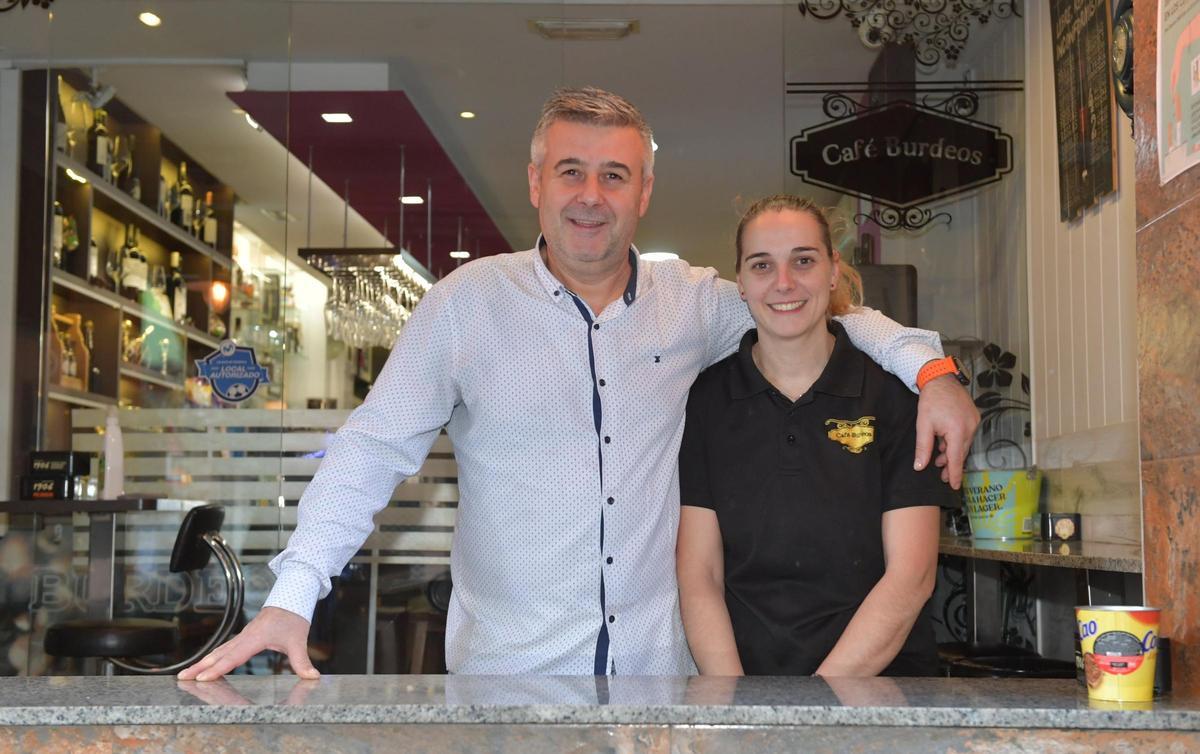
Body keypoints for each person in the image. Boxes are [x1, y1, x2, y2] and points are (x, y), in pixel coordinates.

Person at [179, 88, 977, 681]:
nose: (591, 196)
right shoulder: (465, 306)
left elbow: (817, 308)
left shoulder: (694, 304)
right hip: (505, 678)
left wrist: (932, 372)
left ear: (644, 193)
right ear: (535, 183)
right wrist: (294, 593)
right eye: (571, 172)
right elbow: (370, 450)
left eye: (614, 175)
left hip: (659, 678)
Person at [676, 196, 960, 677]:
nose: (784, 283)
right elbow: (699, 573)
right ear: (740, 284)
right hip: (747, 692)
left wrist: (818, 706)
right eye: (762, 265)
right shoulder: (704, 400)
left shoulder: (896, 397)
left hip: (881, 693)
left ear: (833, 271)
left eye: (803, 260)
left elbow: (912, 577)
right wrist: (735, 701)